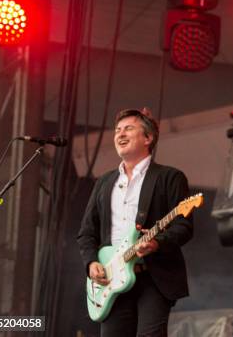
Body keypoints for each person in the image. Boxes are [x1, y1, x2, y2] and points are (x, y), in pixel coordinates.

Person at [77, 108, 193, 337]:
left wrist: (156, 243)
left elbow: (184, 227)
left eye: (129, 128)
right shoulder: (104, 182)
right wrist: (91, 263)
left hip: (153, 276)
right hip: (111, 278)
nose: (120, 134)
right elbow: (86, 233)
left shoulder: (169, 177)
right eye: (117, 130)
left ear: (148, 138)